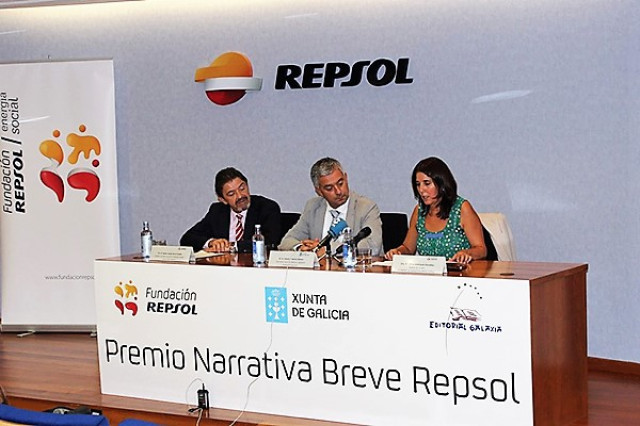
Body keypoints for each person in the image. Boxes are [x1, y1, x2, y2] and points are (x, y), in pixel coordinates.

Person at [385, 157, 486, 263]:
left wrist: (467, 253)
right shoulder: (419, 211)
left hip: (460, 271)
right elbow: (408, 248)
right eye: (418, 184)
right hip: (428, 272)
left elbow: (481, 249)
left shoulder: (462, 208)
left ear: (441, 184)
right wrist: (398, 251)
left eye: (427, 183)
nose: (421, 189)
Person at [278, 157, 383, 256]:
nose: (338, 191)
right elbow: (286, 242)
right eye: (329, 188)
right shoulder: (313, 207)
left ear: (346, 178)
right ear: (319, 191)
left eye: (340, 183)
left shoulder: (366, 207)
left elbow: (373, 247)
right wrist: (301, 248)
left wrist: (327, 249)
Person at [180, 167, 281, 253]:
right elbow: (187, 238)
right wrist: (212, 242)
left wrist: (231, 246)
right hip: (224, 267)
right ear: (222, 200)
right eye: (231, 194)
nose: (240, 196)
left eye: (242, 188)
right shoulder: (217, 211)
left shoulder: (267, 207)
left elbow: (270, 242)